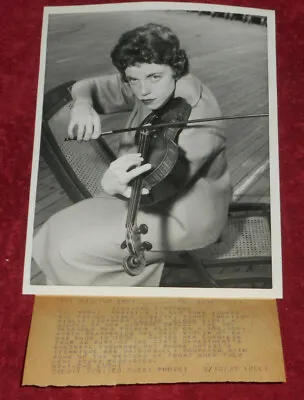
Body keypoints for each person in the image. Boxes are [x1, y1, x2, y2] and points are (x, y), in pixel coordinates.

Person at [32, 23, 231, 287]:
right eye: (132, 80)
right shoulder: (149, 79)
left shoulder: (199, 122)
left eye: (154, 77)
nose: (142, 91)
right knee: (49, 232)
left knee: (69, 252)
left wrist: (112, 185)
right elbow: (87, 86)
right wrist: (81, 105)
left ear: (177, 70)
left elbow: (157, 187)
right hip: (138, 195)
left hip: (181, 217)